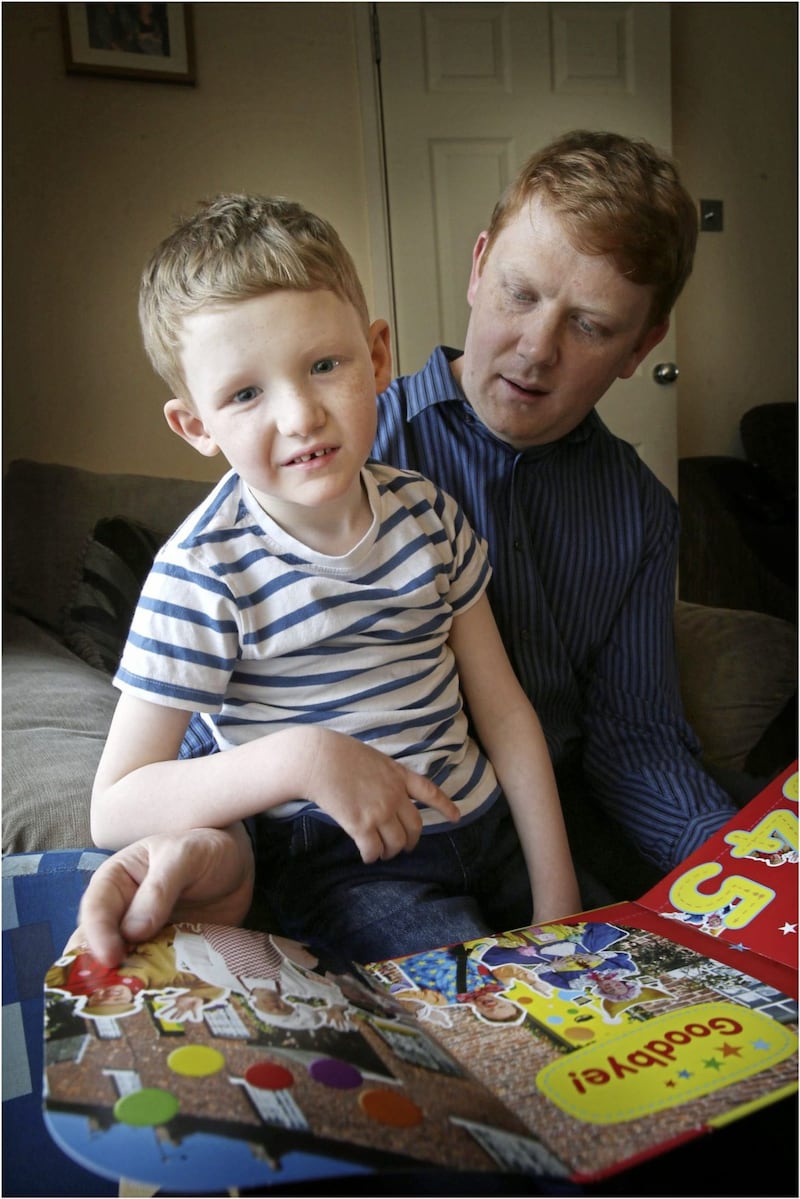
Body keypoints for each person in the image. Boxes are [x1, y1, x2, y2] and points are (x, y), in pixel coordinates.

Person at [78, 129, 740, 968]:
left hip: (517, 827)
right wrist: (244, 825)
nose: (537, 349)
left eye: (592, 325)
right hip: (357, 859)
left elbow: (627, 736)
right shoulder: (315, 468)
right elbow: (212, 732)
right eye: (519, 294)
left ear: (641, 348)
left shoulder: (607, 514)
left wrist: (738, 864)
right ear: (478, 266)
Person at [88, 192, 580, 968]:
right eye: (246, 393)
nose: (300, 415)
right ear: (195, 426)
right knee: (480, 1031)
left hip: (487, 827)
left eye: (324, 365)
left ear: (377, 356)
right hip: (352, 869)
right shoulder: (203, 572)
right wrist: (303, 757)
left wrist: (560, 894)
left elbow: (506, 713)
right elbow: (114, 805)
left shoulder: (427, 513)